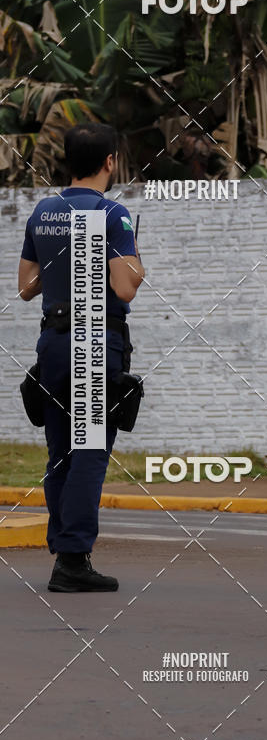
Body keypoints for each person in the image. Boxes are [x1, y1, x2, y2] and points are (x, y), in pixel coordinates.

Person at [18, 123, 145, 592]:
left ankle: (65, 548)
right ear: (110, 161)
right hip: (93, 343)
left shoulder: (44, 212)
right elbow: (125, 285)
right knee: (89, 452)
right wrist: (139, 261)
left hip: (51, 343)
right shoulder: (113, 214)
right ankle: (72, 561)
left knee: (60, 452)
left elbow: (26, 288)